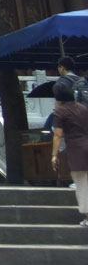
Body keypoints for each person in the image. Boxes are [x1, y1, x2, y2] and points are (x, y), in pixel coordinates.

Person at [51, 80, 88, 227]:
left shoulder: (60, 112)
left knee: (82, 184)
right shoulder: (83, 108)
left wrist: (54, 155)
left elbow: (57, 135)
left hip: (77, 150)